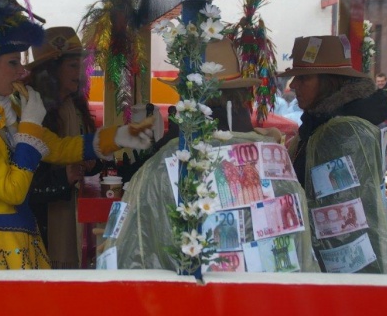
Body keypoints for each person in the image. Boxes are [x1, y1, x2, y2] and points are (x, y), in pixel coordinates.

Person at [0, 0, 152, 271]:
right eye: (13, 63)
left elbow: (60, 148)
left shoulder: (8, 110)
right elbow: (12, 190)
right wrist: (31, 126)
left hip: (20, 242)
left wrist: (120, 136)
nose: (22, 72)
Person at [102, 39, 320, 273]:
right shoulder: (275, 160)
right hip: (265, 294)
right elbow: (302, 254)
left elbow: (130, 252)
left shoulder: (161, 166)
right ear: (243, 94)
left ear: (187, 97)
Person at [279, 35, 387, 274]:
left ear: (329, 81)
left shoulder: (341, 132)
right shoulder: (319, 124)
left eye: (303, 78)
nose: (293, 85)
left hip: (344, 271)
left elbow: (341, 219)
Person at [25, 26, 100, 268]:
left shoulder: (75, 107)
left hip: (75, 218)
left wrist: (91, 163)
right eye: (73, 66)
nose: (79, 73)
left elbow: (85, 152)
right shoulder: (32, 111)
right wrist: (64, 177)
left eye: (80, 66)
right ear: (52, 70)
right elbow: (26, 185)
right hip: (43, 231)